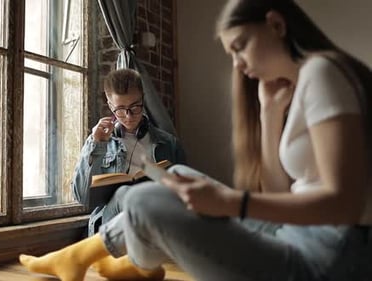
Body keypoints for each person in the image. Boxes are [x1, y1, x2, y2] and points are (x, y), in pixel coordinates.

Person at [19, 0, 372, 280]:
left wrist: (231, 203)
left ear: (277, 26)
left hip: (329, 256)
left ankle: (128, 263)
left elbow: (344, 205)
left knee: (140, 200)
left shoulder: (322, 72)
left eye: (240, 47)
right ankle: (108, 260)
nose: (238, 64)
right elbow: (279, 191)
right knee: (176, 180)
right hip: (303, 233)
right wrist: (268, 113)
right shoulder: (305, 82)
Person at [71, 68, 186, 229]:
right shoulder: (101, 142)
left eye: (135, 107)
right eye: (120, 110)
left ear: (143, 100)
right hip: (114, 222)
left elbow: (184, 194)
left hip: (157, 215)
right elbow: (82, 198)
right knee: (123, 193)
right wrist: (96, 145)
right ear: (111, 107)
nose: (129, 116)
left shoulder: (169, 144)